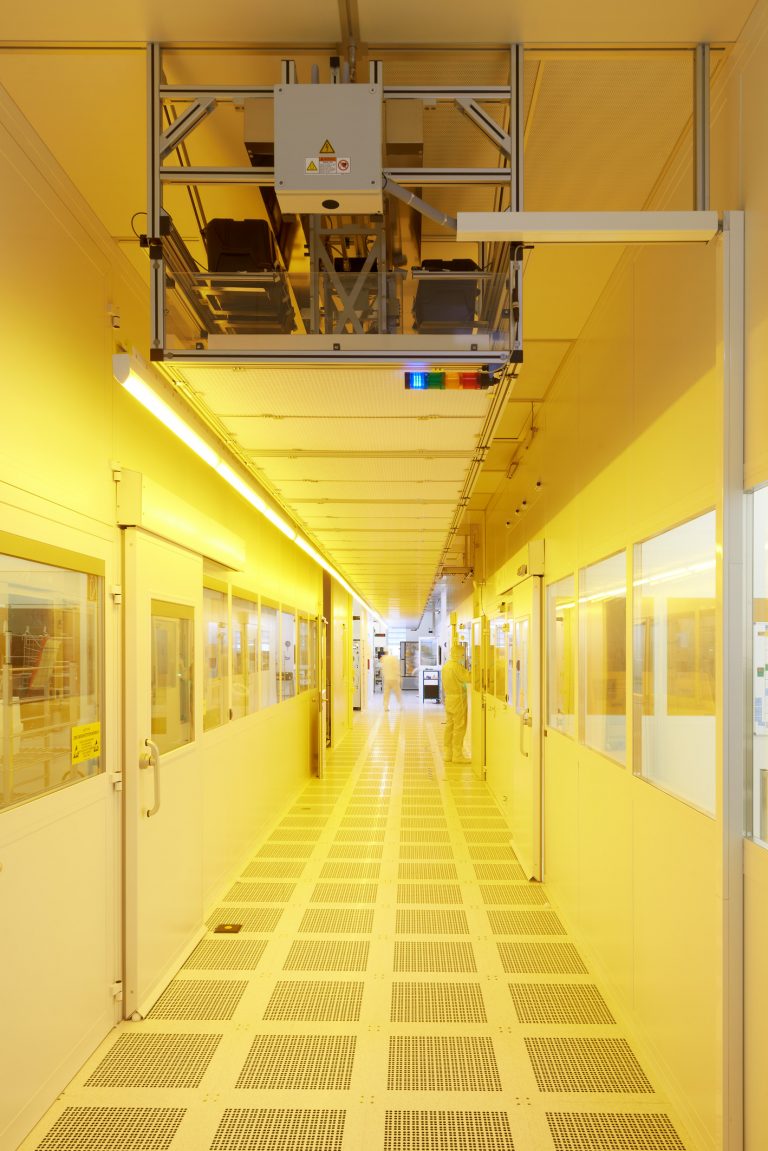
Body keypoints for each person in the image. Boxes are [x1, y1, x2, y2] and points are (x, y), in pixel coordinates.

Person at [442, 643, 471, 763]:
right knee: (459, 727)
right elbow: (468, 678)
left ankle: (448, 754)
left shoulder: (446, 666)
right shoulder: (456, 667)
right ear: (459, 654)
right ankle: (457, 755)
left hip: (449, 699)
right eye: (463, 654)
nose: (463, 657)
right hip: (458, 700)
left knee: (449, 726)